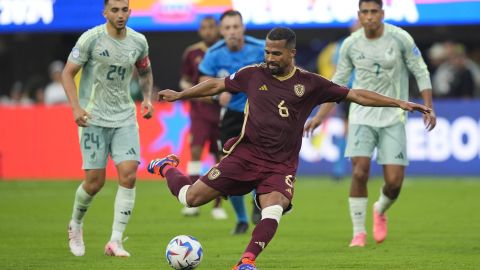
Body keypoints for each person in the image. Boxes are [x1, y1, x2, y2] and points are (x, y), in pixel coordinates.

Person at [149, 27, 431, 269]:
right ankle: (167, 166)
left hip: (279, 165)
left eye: (276, 54)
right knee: (189, 199)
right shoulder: (252, 75)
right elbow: (217, 85)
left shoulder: (310, 84)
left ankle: (247, 260)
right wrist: (181, 94)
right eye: (268, 52)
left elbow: (355, 94)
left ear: (291, 53)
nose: (269, 58)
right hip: (245, 155)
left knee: (275, 208)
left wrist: (400, 102)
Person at [305, 0, 437, 247]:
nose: (369, 16)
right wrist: (320, 116)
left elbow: (420, 70)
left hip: (393, 117)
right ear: (359, 14)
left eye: (373, 11)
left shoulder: (400, 38)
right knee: (359, 171)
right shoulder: (351, 44)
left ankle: (380, 209)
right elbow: (338, 83)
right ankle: (358, 232)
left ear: (382, 13)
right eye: (364, 12)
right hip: (360, 116)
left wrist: (429, 106)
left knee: (394, 182)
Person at [61, 0, 154, 257]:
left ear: (130, 11)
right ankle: (76, 224)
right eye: (115, 10)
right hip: (93, 118)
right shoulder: (91, 39)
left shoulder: (138, 41)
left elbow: (145, 72)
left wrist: (146, 99)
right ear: (105, 12)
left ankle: (115, 241)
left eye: (124, 9)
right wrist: (76, 108)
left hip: (124, 117)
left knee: (129, 174)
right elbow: (67, 73)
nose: (120, 14)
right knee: (94, 182)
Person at [198, 10, 265, 234]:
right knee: (231, 168)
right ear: (221, 31)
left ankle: (257, 202)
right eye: (227, 28)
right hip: (233, 117)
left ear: (243, 28)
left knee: (261, 165)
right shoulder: (214, 54)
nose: (232, 32)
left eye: (236, 27)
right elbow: (203, 83)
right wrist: (217, 96)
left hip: (260, 115)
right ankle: (242, 219)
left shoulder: (260, 48)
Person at [179, 16, 227, 219]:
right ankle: (192, 202)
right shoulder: (192, 52)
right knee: (196, 152)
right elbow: (183, 81)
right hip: (199, 112)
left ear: (217, 30)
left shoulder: (226, 51)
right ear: (200, 31)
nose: (207, 31)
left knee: (221, 158)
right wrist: (195, 91)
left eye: (211, 28)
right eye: (203, 28)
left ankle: (217, 206)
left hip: (224, 114)